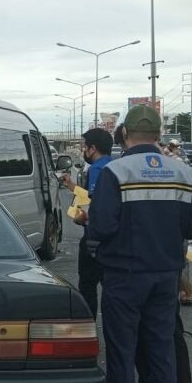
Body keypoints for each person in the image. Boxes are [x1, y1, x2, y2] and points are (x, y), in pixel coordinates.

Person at [79, 105, 192, 383]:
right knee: (162, 354)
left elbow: (103, 226)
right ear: (158, 133)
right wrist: (169, 231)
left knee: (122, 358)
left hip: (124, 277)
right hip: (166, 276)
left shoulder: (116, 171)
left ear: (124, 135)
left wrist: (91, 226)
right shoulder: (183, 171)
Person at [61, 128, 113, 318]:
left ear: (93, 148)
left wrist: (81, 217)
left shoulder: (98, 169)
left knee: (88, 285)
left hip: (94, 239)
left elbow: (94, 203)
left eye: (85, 146)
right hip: (112, 238)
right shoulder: (114, 165)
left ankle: (88, 323)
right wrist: (71, 186)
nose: (83, 150)